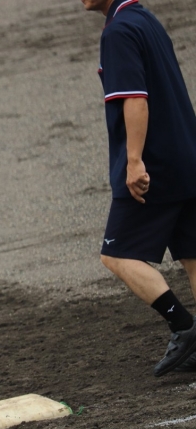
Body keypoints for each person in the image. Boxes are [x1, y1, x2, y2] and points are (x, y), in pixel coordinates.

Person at [81, 0, 196, 376]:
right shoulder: (144, 18)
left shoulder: (118, 32)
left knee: (117, 255)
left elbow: (135, 98)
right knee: (193, 254)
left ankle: (183, 326)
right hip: (186, 153)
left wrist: (134, 161)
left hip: (154, 165)